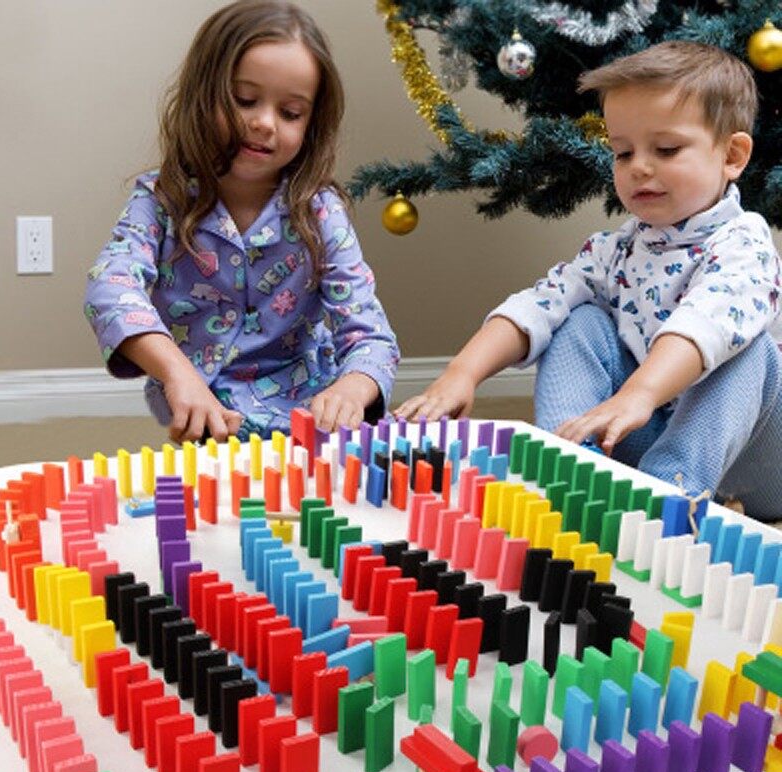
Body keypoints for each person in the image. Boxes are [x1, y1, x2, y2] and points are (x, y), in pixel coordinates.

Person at [396, 41, 782, 520]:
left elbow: (705, 321)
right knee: (578, 318)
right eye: (622, 152)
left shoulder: (745, 244)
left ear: (732, 155)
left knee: (749, 351)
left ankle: (672, 493)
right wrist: (463, 373)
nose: (639, 166)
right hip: (641, 426)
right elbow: (541, 302)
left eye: (666, 149)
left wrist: (640, 392)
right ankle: (572, 462)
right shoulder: (615, 250)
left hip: (754, 461)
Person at [84, 0, 399, 444]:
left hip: (313, 425)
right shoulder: (160, 200)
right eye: (244, 100)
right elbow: (110, 288)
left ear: (311, 124)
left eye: (291, 113)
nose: (264, 123)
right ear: (203, 94)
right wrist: (177, 373)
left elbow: (371, 335)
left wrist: (352, 387)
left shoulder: (321, 211)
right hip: (209, 424)